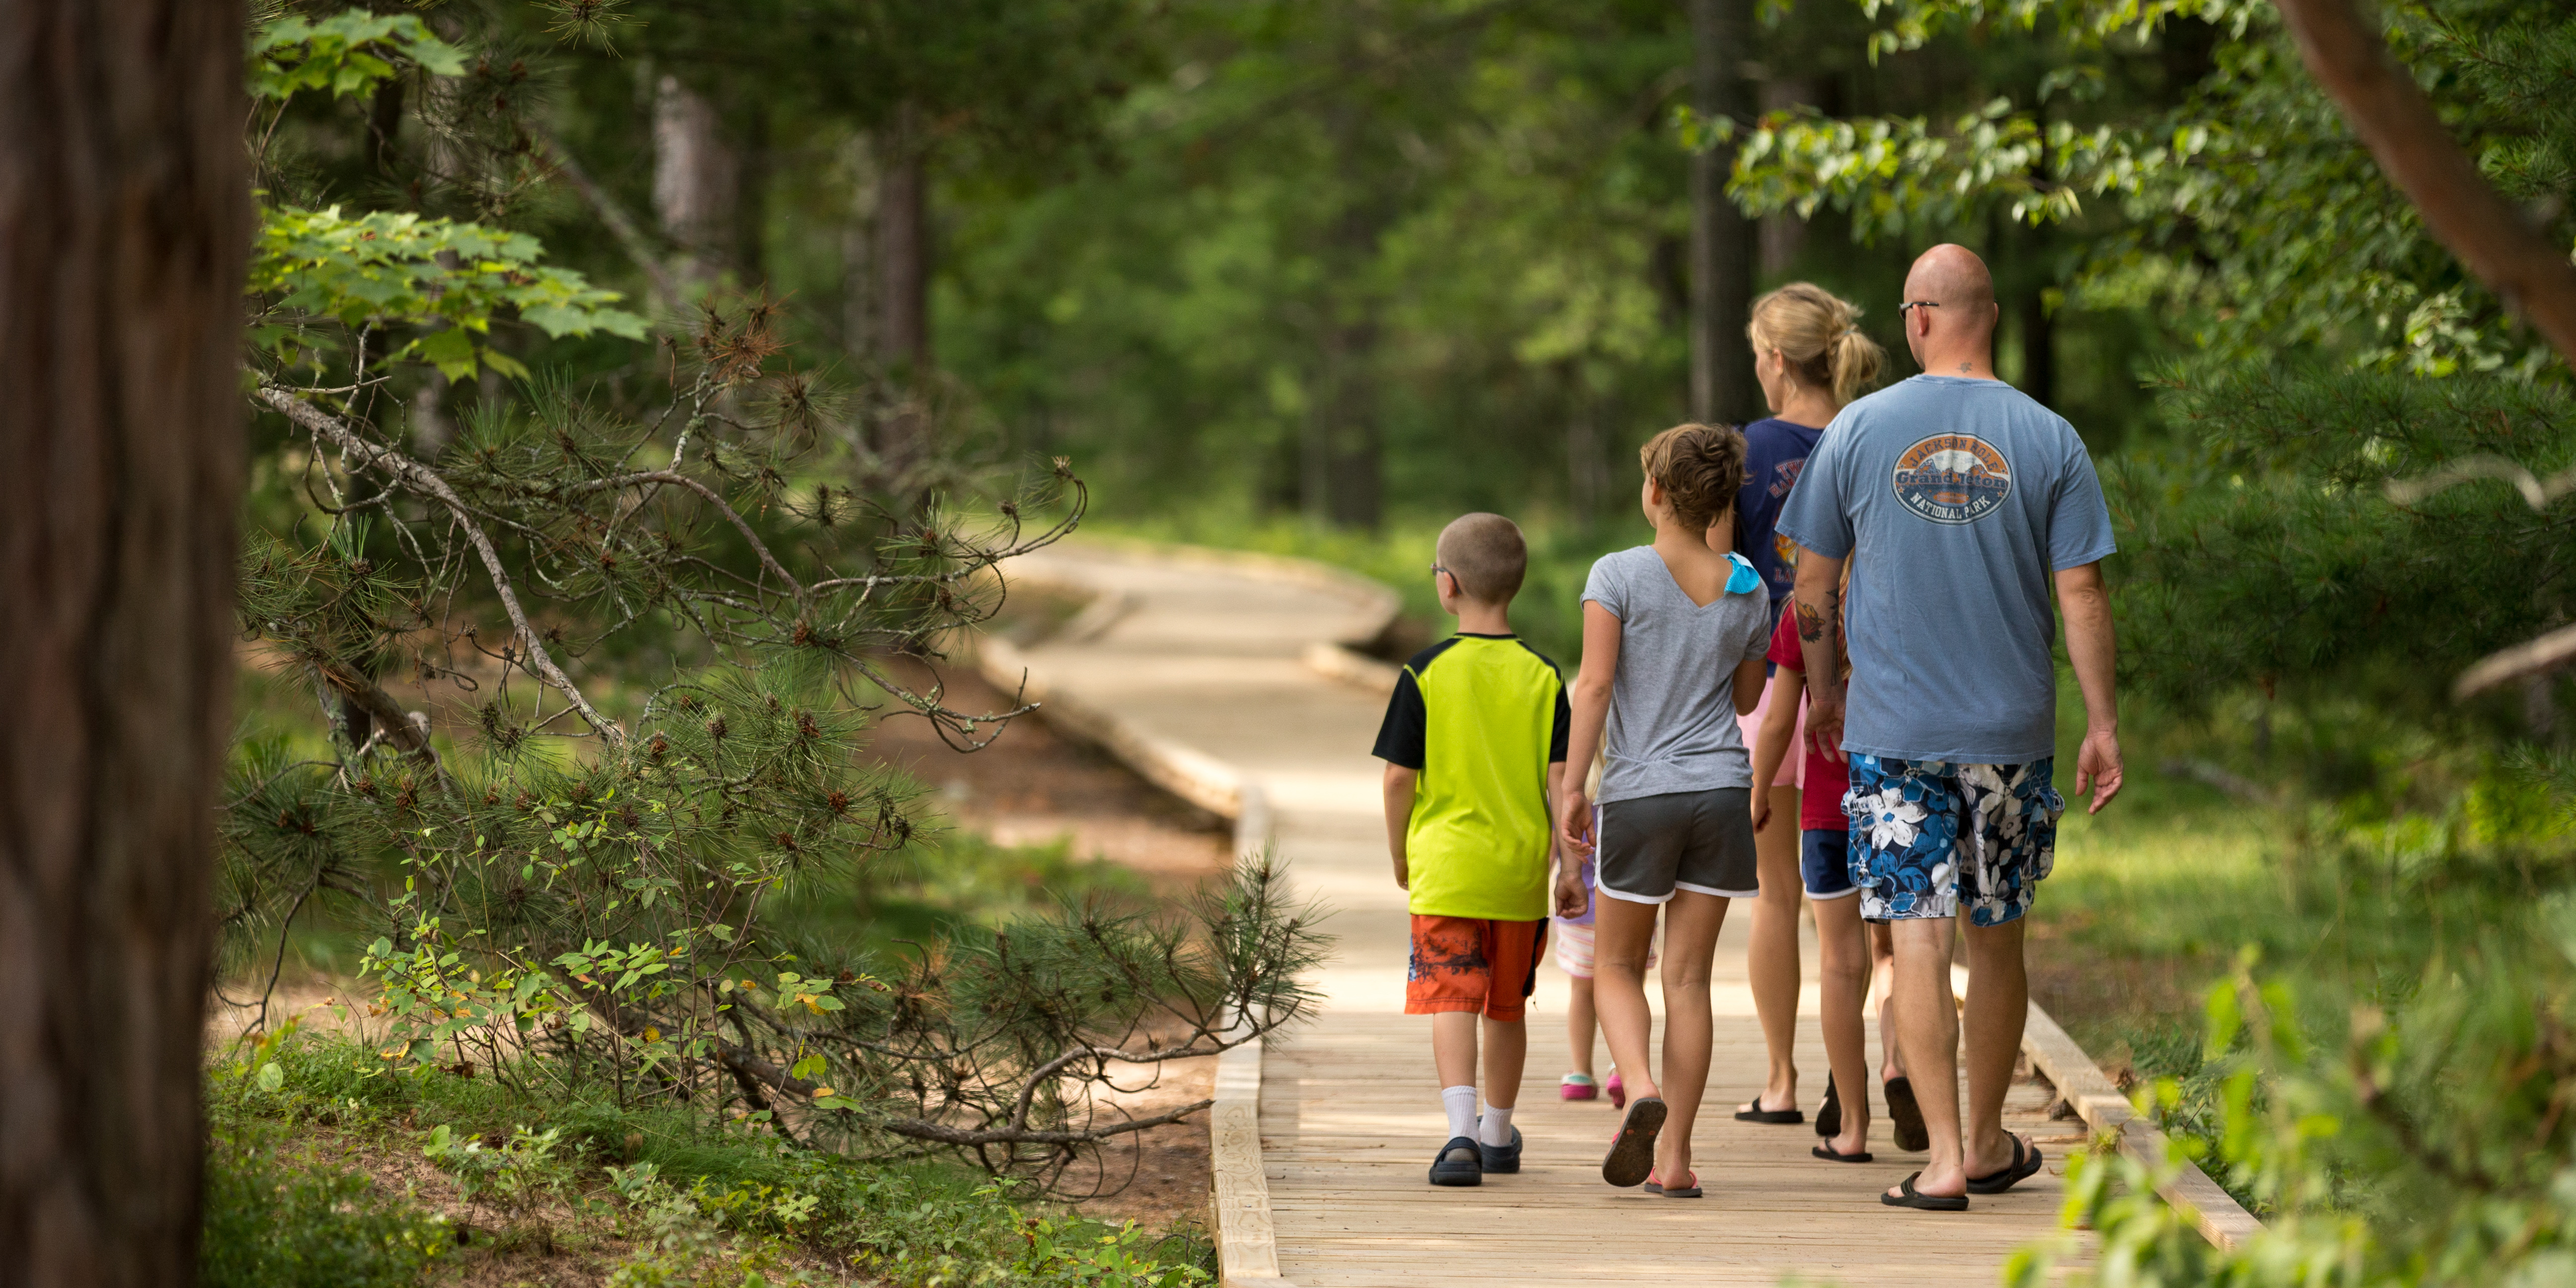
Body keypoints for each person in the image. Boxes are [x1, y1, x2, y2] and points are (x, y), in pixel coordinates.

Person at [1775, 243, 2124, 1210]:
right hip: (2009, 732)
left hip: (1893, 730)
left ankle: (1935, 1169)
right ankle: (1980, 1143)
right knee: (1998, 932)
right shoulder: (2050, 436)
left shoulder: (1856, 430)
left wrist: (1825, 693)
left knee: (1918, 936)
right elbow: (2084, 587)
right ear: (1993, 316)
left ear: (1919, 317)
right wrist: (2102, 721)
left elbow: (1811, 585)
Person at [1554, 424, 1773, 1199]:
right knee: (1689, 981)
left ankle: (1639, 1083)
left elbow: (1594, 686)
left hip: (1642, 793)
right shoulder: (1751, 587)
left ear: (1655, 493)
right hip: (1721, 791)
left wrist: (1572, 787)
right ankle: (1676, 1161)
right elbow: (1749, 698)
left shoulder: (1615, 575)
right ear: (1721, 500)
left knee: (1615, 965)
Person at [1373, 511, 1576, 1188]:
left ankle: (1459, 1137)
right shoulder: (1544, 676)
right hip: (1519, 874)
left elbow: (1399, 776)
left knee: (1451, 998)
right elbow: (1562, 783)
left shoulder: (1424, 672)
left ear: (1448, 585)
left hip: (1446, 868)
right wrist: (1570, 864)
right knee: (1507, 1005)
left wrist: (1401, 853)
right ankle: (1498, 1132)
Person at [1730, 283, 1887, 1126]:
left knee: (1776, 890)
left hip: (1773, 683)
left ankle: (1781, 1079)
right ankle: (1872, 1066)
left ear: (1778, 360)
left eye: (1756, 354)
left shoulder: (1750, 448)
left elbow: (1721, 571)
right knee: (1875, 901)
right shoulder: (1872, 439)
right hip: (1874, 682)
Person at [1748, 561, 1926, 1162]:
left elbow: (1777, 721)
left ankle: (1852, 1127)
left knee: (1840, 966)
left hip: (1826, 813)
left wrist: (1756, 792)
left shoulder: (1806, 615)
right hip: (1900, 807)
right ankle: (1897, 1061)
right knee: (1900, 952)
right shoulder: (1908, 605)